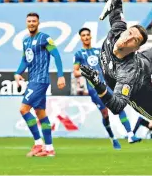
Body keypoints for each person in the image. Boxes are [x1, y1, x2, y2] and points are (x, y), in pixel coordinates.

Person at [73, 28, 141, 149]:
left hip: (107, 85)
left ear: (90, 36)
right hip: (94, 90)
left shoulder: (99, 51)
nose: (86, 37)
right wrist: (87, 73)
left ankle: (130, 134)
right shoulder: (78, 54)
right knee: (105, 114)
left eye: (88, 35)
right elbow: (75, 72)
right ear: (80, 38)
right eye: (83, 35)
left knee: (119, 106)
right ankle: (113, 138)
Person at [14, 13, 65, 157]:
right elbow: (25, 60)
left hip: (40, 80)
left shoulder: (44, 38)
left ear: (38, 23)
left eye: (34, 21)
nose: (31, 23)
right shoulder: (26, 41)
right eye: (29, 21)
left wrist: (60, 75)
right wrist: (17, 73)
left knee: (24, 109)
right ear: (26, 23)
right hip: (33, 80)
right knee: (40, 113)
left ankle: (38, 144)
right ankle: (49, 149)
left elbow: (56, 55)